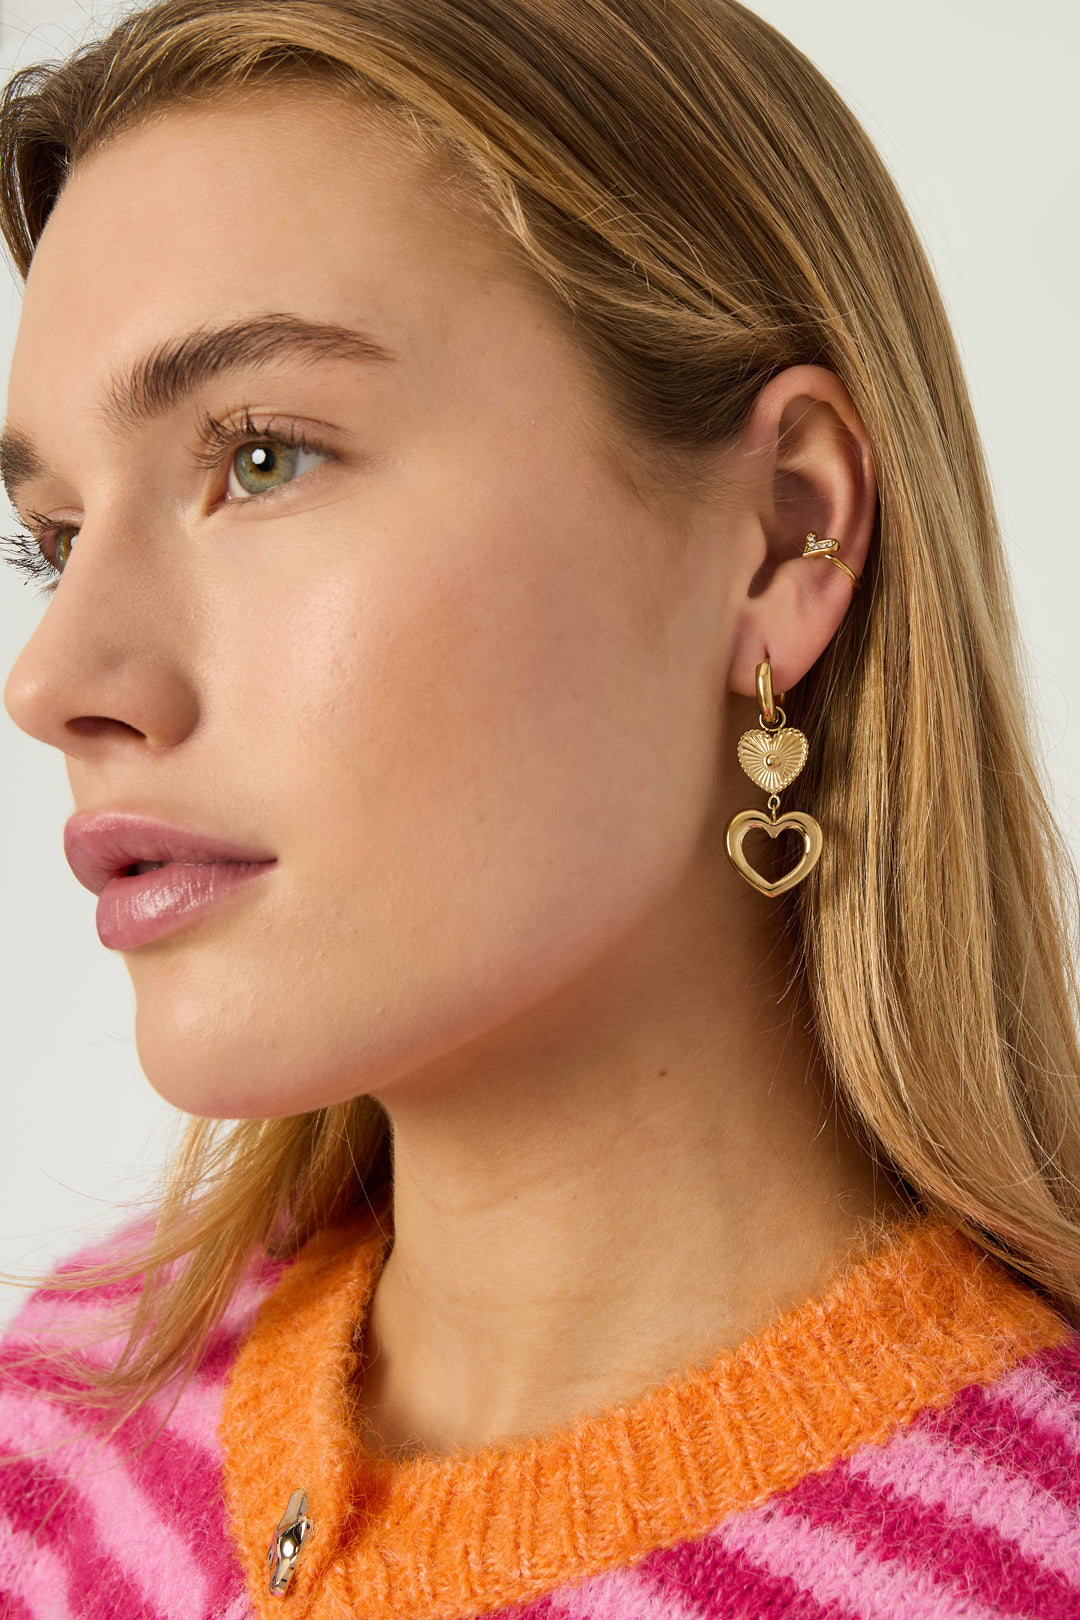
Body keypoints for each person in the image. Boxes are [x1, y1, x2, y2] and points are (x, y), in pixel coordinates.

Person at [1, 0, 1079, 1615]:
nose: (59, 676)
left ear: (787, 532)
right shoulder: (48, 1423)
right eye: (55, 536)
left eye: (265, 456)